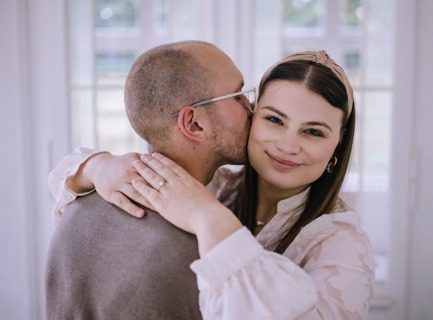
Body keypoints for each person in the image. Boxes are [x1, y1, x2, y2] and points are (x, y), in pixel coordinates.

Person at [51, 50, 375, 319]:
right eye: (273, 119)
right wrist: (94, 166)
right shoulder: (213, 184)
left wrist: (210, 220)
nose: (288, 146)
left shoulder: (343, 244)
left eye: (314, 132)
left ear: (338, 147)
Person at [45, 40, 256, 319]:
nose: (251, 105)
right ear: (194, 123)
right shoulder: (202, 257)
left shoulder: (76, 206)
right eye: (238, 95)